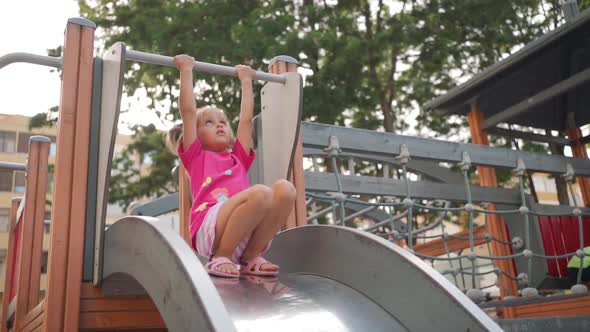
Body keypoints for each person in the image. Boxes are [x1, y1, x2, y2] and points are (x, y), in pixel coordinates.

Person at [168, 54, 296, 278]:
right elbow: (188, 112)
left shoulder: (238, 157)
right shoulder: (196, 156)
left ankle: (251, 257)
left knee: (286, 189)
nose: (218, 125)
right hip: (209, 227)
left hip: (245, 227)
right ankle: (221, 256)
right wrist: (185, 71)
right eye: (208, 122)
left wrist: (247, 82)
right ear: (195, 134)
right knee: (261, 193)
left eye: (223, 122)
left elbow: (245, 121)